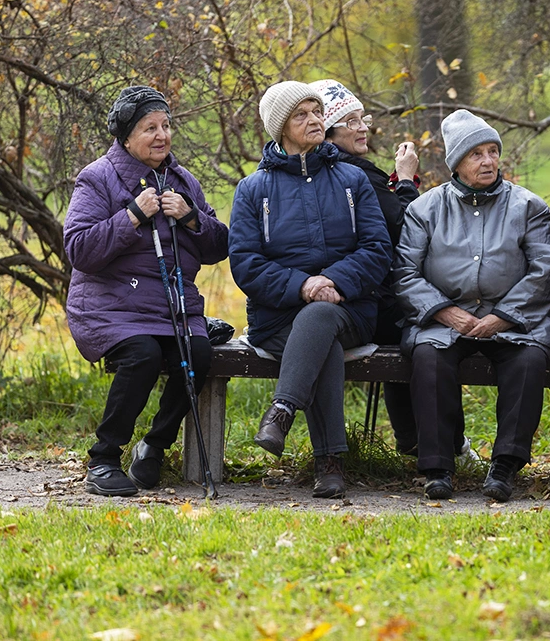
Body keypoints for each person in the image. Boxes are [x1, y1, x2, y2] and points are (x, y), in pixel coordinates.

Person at [229, 81, 391, 499]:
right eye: (301, 115)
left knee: (319, 319)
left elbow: (378, 249)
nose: (315, 120)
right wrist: (302, 285)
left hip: (348, 309)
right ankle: (329, 464)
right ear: (280, 127)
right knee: (321, 340)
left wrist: (332, 281)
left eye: (317, 112)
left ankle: (283, 409)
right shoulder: (253, 190)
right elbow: (245, 263)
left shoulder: (352, 179)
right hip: (277, 317)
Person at [65, 85, 229, 497]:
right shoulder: (97, 178)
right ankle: (103, 459)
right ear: (125, 138)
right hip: (111, 306)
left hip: (172, 307)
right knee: (143, 354)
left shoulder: (183, 181)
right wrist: (132, 215)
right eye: (149, 128)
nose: (162, 135)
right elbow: (79, 249)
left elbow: (218, 248)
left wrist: (193, 218)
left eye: (166, 126)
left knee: (198, 353)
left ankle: (153, 447)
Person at [394, 110, 550, 502]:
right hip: (443, 318)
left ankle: (505, 466)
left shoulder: (528, 206)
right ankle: (438, 468)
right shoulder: (424, 209)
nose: (488, 161)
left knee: (528, 360)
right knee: (429, 358)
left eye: (492, 152)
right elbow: (404, 272)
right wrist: (445, 312)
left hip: (515, 321)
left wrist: (501, 317)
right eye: (476, 154)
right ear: (456, 163)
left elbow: (545, 269)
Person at [309, 79, 424, 455]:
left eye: (364, 119)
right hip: (364, 301)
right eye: (352, 122)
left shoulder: (326, 169)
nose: (363, 129)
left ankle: (414, 438)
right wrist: (405, 179)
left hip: (346, 297)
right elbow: (407, 226)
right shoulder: (354, 174)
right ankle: (436, 442)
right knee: (424, 331)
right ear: (328, 133)